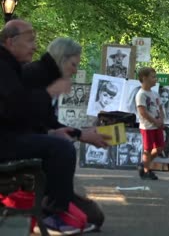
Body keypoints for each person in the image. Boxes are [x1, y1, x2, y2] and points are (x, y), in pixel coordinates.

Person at [0, 20, 82, 234]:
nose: (35, 46)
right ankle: (53, 213)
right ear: (10, 41)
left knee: (59, 145)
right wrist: (49, 93)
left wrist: (51, 131)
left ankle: (54, 209)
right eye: (30, 41)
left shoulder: (12, 67)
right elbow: (15, 109)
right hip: (5, 141)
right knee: (61, 149)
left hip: (11, 136)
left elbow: (26, 114)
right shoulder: (10, 68)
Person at [22, 36, 111, 231]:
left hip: (31, 139)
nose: (75, 70)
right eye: (73, 64)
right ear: (61, 59)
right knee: (62, 148)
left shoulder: (47, 77)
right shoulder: (36, 75)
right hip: (20, 140)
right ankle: (55, 210)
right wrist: (78, 134)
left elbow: (48, 120)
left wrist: (80, 133)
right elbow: (33, 117)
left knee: (95, 216)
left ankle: (58, 204)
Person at [135, 67, 165, 180]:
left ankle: (144, 164)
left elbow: (160, 107)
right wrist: (154, 121)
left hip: (157, 125)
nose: (155, 79)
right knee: (147, 149)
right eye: (153, 77)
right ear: (144, 78)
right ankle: (147, 170)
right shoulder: (141, 94)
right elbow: (143, 112)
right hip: (147, 126)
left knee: (160, 147)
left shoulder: (155, 94)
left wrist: (161, 119)